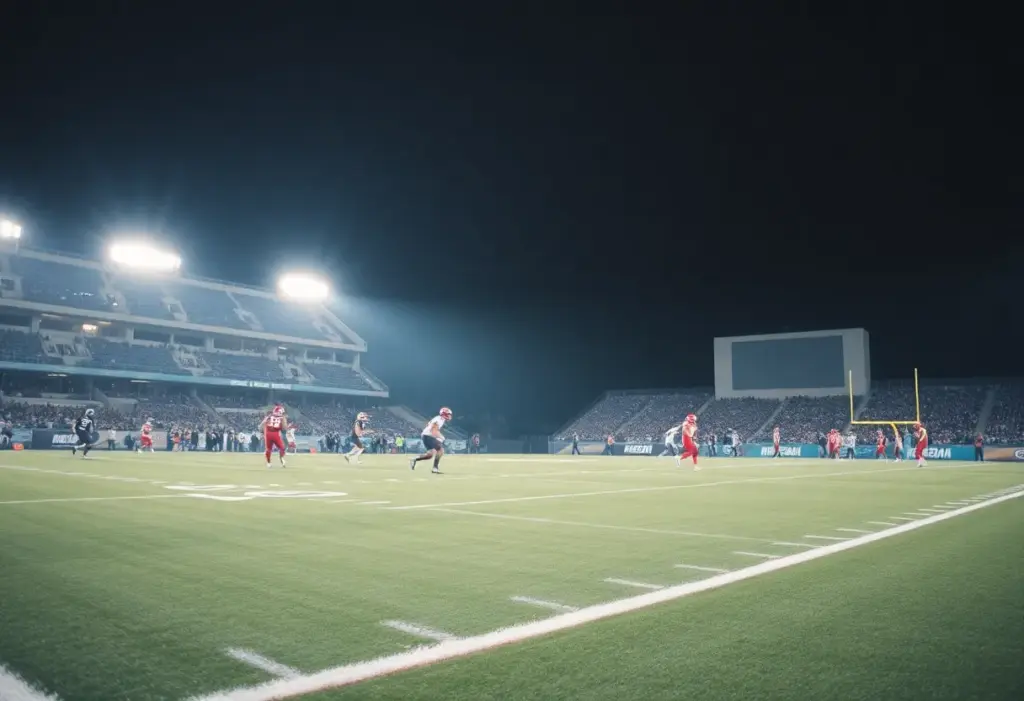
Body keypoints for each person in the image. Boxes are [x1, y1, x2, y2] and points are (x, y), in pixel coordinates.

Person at [410, 407, 451, 474]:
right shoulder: (440, 419)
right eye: (448, 414)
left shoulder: (439, 419)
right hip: (428, 436)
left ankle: (414, 459)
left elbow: (429, 426)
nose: (450, 416)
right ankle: (435, 468)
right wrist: (442, 437)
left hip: (426, 435)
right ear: (444, 414)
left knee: (430, 455)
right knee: (440, 450)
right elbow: (433, 431)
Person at [260, 404, 288, 468]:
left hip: (268, 433)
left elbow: (262, 424)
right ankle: (281, 459)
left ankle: (269, 463)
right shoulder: (282, 418)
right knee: (282, 448)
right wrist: (284, 422)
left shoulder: (269, 416)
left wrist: (262, 431)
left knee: (268, 449)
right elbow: (284, 428)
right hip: (276, 433)